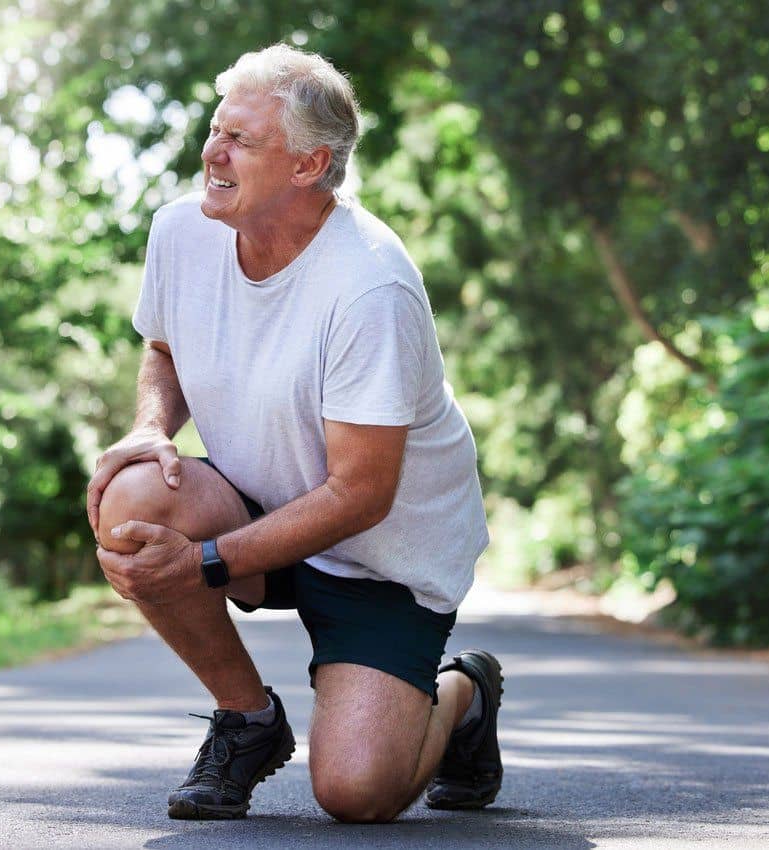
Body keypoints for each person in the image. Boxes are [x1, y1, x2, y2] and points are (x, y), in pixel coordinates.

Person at [87, 43, 502, 823]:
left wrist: (207, 563)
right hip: (258, 501)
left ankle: (462, 695)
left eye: (240, 140)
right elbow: (165, 345)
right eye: (216, 129)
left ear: (309, 166)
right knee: (135, 495)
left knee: (358, 794)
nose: (212, 151)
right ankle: (247, 721)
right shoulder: (182, 231)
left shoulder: (371, 286)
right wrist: (150, 428)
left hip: (380, 555)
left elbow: (362, 493)